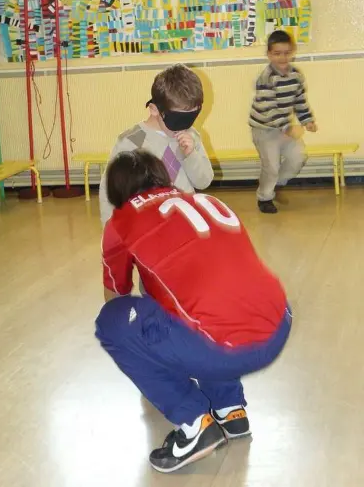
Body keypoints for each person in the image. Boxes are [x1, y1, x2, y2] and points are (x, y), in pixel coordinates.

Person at [95, 150, 292, 474]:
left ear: (116, 192)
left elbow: (115, 295)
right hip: (277, 325)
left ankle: (194, 423)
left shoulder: (121, 221)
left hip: (221, 349)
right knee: (205, 302)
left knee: (113, 322)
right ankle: (230, 409)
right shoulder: (208, 202)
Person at [98, 64, 214, 225]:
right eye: (178, 120)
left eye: (190, 118)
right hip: (147, 225)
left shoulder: (191, 136)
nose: (183, 126)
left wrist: (191, 155)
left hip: (186, 222)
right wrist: (111, 231)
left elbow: (204, 182)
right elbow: (109, 192)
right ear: (154, 109)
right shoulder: (132, 141)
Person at [249, 30, 317, 214]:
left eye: (286, 53)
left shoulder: (296, 75)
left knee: (298, 157)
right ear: (269, 54)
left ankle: (274, 184)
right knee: (271, 166)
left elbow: (299, 101)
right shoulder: (266, 78)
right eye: (277, 54)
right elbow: (270, 109)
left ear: (293, 51)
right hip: (263, 130)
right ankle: (264, 198)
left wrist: (307, 120)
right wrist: (287, 128)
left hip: (283, 128)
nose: (282, 58)